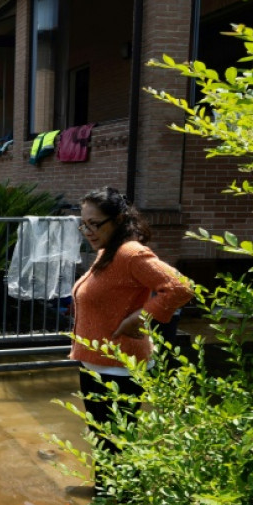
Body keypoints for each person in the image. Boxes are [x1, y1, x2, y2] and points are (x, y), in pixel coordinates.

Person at [70, 186, 193, 485]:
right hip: (97, 362)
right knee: (103, 437)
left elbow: (180, 287)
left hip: (120, 367)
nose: (88, 231)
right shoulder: (107, 253)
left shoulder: (130, 253)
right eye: (84, 224)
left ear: (118, 220)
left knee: (117, 441)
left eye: (94, 224)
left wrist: (142, 317)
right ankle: (105, 492)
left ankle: (122, 498)